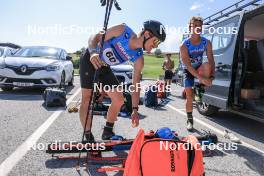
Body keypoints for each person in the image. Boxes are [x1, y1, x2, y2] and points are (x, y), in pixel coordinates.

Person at [79, 20, 166, 141]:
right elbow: (95, 37)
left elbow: (136, 85)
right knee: (87, 99)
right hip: (90, 58)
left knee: (119, 99)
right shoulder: (122, 30)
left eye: (158, 43)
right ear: (147, 34)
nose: (156, 45)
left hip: (103, 66)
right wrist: (93, 52)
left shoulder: (138, 58)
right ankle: (88, 136)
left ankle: (108, 131)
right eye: (156, 41)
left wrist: (135, 110)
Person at [180, 16, 215, 131]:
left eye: (199, 26)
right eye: (194, 26)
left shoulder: (207, 42)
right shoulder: (184, 45)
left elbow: (211, 60)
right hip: (188, 70)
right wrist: (201, 78)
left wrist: (211, 77)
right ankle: (189, 120)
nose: (197, 28)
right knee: (189, 97)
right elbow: (188, 66)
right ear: (190, 27)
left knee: (207, 65)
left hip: (199, 68)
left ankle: (200, 89)